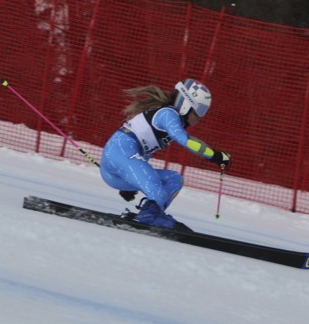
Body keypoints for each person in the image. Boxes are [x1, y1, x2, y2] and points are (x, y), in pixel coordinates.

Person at [99, 79, 231, 229]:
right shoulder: (168, 114)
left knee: (174, 180)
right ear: (186, 104)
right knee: (156, 189)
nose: (201, 117)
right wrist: (215, 156)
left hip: (121, 169)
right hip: (117, 154)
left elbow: (145, 152)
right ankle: (148, 216)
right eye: (200, 110)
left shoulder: (172, 120)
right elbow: (185, 140)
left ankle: (153, 212)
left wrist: (133, 182)